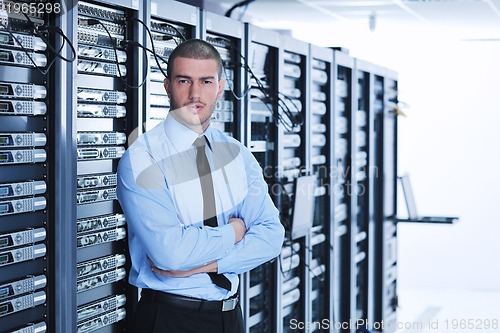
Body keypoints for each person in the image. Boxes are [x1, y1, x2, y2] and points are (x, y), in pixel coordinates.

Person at [116, 38, 285, 333]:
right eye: (184, 81)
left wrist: (203, 266)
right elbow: (171, 254)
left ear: (220, 87)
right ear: (168, 86)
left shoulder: (237, 154)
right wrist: (234, 232)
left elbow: (272, 236)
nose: (195, 93)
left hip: (230, 316)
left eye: (206, 81)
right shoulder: (142, 159)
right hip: (168, 319)